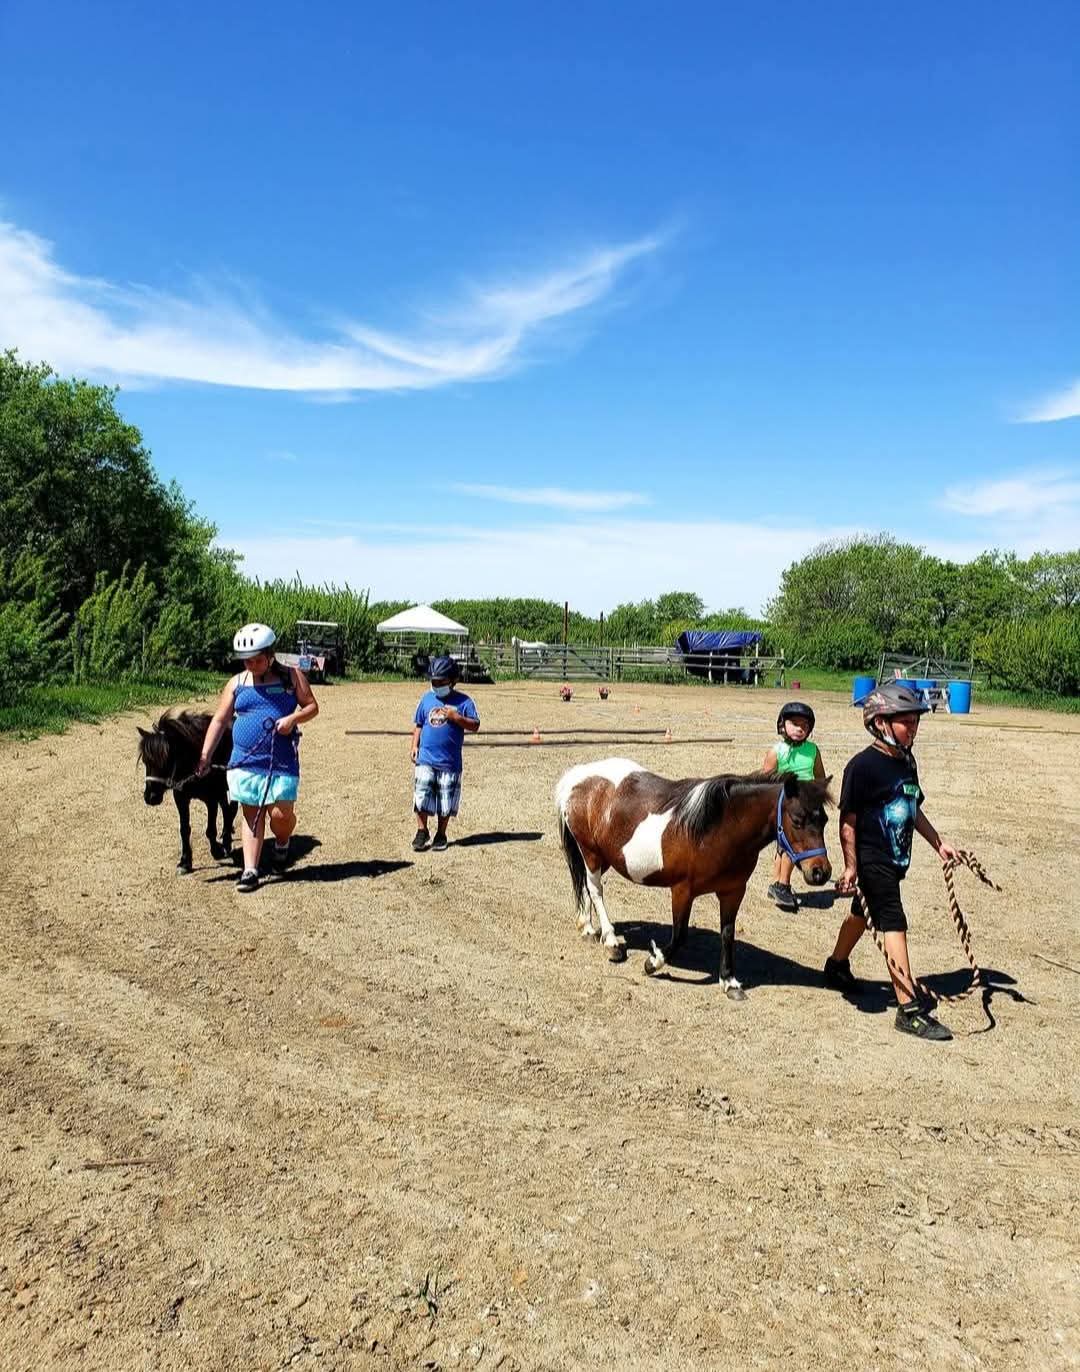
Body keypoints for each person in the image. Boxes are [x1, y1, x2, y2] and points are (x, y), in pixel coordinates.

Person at [825, 681, 959, 1041]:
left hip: (895, 860)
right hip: (872, 860)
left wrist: (939, 844)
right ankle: (908, 1009)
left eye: (916, 721)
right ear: (881, 722)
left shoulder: (906, 763)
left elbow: (914, 809)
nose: (913, 728)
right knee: (892, 920)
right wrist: (852, 866)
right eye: (906, 722)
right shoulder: (862, 767)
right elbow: (847, 822)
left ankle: (836, 966)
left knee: (860, 914)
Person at [197, 623, 319, 892]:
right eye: (246, 661)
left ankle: (283, 839)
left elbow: (312, 707)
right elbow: (220, 720)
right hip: (245, 762)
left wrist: (292, 719)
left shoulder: (292, 677)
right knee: (251, 815)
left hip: (282, 761)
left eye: (256, 660)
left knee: (280, 813)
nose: (251, 665)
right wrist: (205, 754)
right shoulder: (236, 683)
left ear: (270, 654)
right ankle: (250, 870)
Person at [762, 700, 827, 911]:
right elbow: (765, 781)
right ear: (782, 725)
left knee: (786, 845)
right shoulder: (776, 751)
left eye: (804, 725)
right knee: (789, 843)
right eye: (794, 724)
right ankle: (782, 884)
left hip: (806, 803)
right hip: (785, 804)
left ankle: (777, 883)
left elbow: (819, 776)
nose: (799, 729)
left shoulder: (812, 750)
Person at [411, 655, 480, 851]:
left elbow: (475, 725)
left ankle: (441, 833)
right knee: (421, 794)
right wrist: (414, 746)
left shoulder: (464, 701)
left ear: (452, 681)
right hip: (425, 758)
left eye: (441, 681)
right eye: (433, 681)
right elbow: (418, 724)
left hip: (449, 762)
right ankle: (422, 830)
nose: (436, 684)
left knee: (445, 799)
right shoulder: (426, 699)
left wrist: (456, 717)